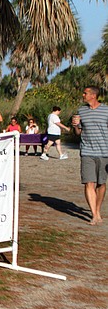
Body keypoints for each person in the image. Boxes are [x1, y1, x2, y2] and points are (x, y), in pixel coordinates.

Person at [71, 87, 108, 225]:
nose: (83, 95)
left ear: (93, 95)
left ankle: (97, 210)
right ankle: (94, 215)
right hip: (87, 152)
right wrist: (75, 125)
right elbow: (78, 133)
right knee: (88, 182)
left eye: (85, 93)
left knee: (101, 183)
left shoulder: (106, 110)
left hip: (104, 152)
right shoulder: (81, 111)